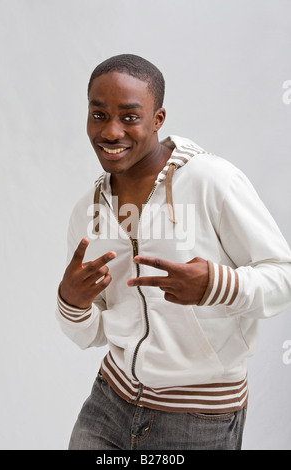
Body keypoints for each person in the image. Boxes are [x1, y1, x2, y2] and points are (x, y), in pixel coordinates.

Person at [56, 54, 291, 450]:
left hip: (198, 418)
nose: (111, 131)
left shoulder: (210, 180)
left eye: (130, 117)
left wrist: (217, 284)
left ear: (158, 119)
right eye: (99, 115)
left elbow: (282, 276)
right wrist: (72, 303)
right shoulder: (89, 210)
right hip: (108, 402)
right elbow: (92, 332)